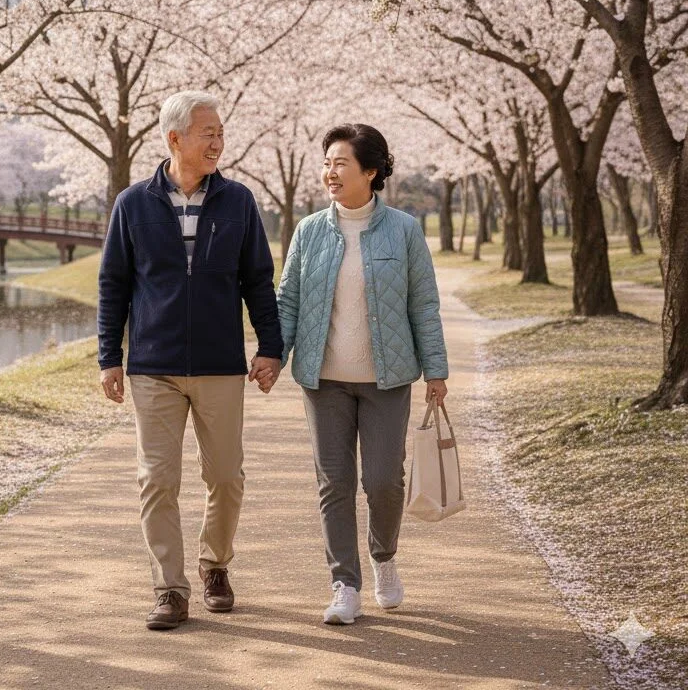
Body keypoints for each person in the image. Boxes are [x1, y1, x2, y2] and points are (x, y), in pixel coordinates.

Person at [97, 90, 284, 630]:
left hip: (220, 363)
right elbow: (113, 284)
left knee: (225, 476)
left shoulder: (239, 201)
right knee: (157, 478)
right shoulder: (133, 203)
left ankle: (214, 566)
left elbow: (257, 281)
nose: (218, 143)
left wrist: (269, 347)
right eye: (209, 133)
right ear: (175, 138)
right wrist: (110, 356)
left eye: (221, 133)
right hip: (152, 365)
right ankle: (169, 588)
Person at [254, 123, 449, 625]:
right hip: (324, 379)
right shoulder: (310, 230)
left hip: (387, 379)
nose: (330, 172)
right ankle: (345, 582)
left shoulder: (405, 230)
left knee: (384, 480)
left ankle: (383, 559)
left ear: (371, 170)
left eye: (341, 162)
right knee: (333, 482)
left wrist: (437, 371)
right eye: (327, 162)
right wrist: (274, 353)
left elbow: (423, 303)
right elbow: (289, 298)